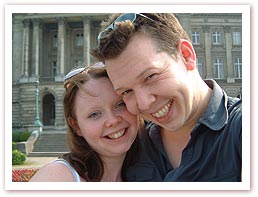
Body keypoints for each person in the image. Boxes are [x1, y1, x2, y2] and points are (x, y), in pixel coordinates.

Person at [91, 13, 242, 181]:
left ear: (186, 56)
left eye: (150, 76)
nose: (144, 103)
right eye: (126, 92)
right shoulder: (132, 146)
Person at [30, 62, 144, 182]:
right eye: (94, 114)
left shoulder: (148, 171)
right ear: (76, 126)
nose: (113, 120)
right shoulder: (57, 178)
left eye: (120, 105)